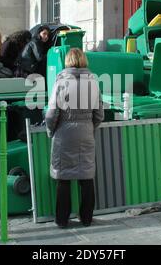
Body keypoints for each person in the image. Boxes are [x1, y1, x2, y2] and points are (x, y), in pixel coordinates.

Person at [45, 48, 104, 228]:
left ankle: (62, 220)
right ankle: (86, 219)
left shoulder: (61, 82)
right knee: (86, 176)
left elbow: (52, 114)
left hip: (64, 134)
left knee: (63, 178)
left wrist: (50, 131)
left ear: (68, 61)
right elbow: (99, 114)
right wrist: (88, 126)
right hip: (86, 133)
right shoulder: (93, 82)